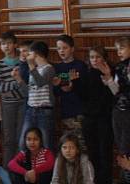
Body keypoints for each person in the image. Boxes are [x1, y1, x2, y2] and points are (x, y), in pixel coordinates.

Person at [0, 31, 27, 168]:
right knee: (8, 140)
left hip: (23, 103)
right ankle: (8, 171)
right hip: (7, 105)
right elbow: (0, 87)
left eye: (8, 43)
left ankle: (19, 170)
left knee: (21, 138)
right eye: (3, 44)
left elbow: (26, 84)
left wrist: (19, 82)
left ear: (15, 45)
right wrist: (16, 82)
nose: (6, 46)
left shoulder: (22, 62)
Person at [82, 46, 113, 184]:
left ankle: (105, 180)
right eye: (92, 57)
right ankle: (94, 180)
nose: (95, 60)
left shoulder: (110, 71)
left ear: (104, 58)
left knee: (104, 151)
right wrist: (74, 84)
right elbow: (83, 97)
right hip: (89, 118)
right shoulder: (87, 72)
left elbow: (114, 94)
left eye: (98, 57)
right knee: (92, 151)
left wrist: (107, 77)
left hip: (105, 118)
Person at [102, 36, 130, 184]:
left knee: (126, 146)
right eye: (117, 49)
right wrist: (108, 78)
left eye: (122, 48)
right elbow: (116, 91)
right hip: (119, 110)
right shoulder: (119, 67)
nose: (119, 51)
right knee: (121, 146)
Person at [53, 36, 87, 150]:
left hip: (79, 111)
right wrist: (58, 87)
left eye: (65, 48)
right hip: (65, 111)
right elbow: (55, 92)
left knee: (81, 146)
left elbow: (85, 90)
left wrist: (74, 85)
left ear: (72, 49)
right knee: (67, 146)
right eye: (59, 48)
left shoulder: (80, 65)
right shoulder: (57, 68)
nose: (61, 51)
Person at [21, 41, 55, 151]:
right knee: (23, 143)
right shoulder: (33, 69)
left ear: (36, 54)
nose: (28, 56)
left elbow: (41, 82)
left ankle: (48, 168)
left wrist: (31, 65)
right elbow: (28, 92)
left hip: (44, 111)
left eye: (30, 53)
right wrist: (18, 80)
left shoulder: (49, 68)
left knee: (46, 144)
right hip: (31, 110)